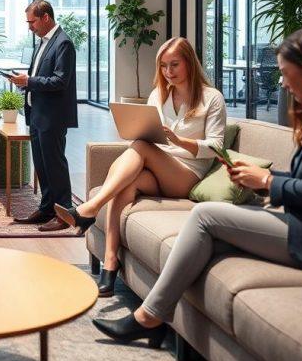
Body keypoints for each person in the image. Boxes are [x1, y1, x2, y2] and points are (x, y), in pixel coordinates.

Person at [92, 28, 302, 347]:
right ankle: (155, 319)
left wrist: (266, 181)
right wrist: (263, 178)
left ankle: (149, 317)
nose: (282, 83)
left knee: (205, 217)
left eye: (284, 72)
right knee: (201, 238)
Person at [55, 37, 227, 296]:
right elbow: (148, 132)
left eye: (175, 65)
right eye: (164, 66)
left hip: (188, 173)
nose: (168, 72)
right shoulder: (159, 95)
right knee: (125, 185)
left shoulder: (212, 98)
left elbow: (216, 146)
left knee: (141, 147)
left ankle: (89, 208)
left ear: (190, 63)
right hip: (158, 166)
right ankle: (110, 265)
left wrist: (181, 140)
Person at [5, 0, 79, 232]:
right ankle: (47, 208)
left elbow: (60, 80)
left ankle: (65, 213)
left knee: (54, 165)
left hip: (52, 116)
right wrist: (24, 81)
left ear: (45, 17)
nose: (30, 27)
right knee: (42, 164)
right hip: (36, 113)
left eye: (32, 22)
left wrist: (29, 81)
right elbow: (39, 75)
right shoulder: (43, 42)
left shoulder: (63, 43)